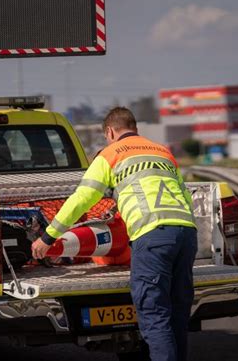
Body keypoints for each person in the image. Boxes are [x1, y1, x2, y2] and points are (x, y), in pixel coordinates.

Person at [32, 107, 198, 361]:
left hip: (152, 234)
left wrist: (48, 237)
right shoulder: (163, 152)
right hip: (186, 233)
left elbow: (82, 199)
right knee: (177, 313)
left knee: (153, 313)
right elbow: (185, 196)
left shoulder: (110, 154)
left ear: (109, 131)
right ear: (135, 129)